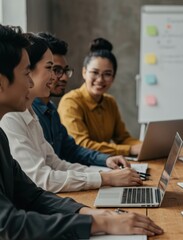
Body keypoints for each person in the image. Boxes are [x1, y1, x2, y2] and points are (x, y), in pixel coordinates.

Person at [0, 24, 162, 240]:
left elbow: (33, 195)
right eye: (26, 72)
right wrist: (98, 220)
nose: (31, 82)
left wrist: (91, 214)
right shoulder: (11, 122)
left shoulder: (2, 136)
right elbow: (10, 226)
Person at [0, 33, 142, 193]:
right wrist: (105, 178)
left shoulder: (34, 112)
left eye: (62, 70)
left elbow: (57, 162)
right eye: (51, 68)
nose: (57, 77)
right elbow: (41, 180)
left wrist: (106, 173)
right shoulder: (11, 117)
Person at [31, 32, 125, 169]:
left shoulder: (51, 110)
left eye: (65, 71)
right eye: (55, 70)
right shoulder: (25, 113)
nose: (64, 78)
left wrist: (106, 160)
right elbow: (42, 174)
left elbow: (71, 150)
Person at [58, 38, 141, 156]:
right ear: (84, 72)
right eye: (95, 72)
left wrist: (144, 146)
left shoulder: (110, 102)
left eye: (107, 74)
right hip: (80, 167)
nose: (100, 80)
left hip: (105, 163)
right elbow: (82, 144)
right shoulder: (71, 102)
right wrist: (129, 150)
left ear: (113, 77)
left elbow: (123, 138)